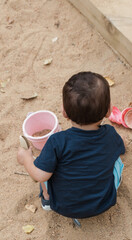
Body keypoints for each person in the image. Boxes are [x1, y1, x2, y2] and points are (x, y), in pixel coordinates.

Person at [17, 71, 125, 219]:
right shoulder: (110, 134)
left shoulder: (57, 141)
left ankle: (47, 199)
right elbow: (121, 148)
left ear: (64, 112)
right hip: (103, 202)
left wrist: (26, 159)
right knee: (117, 161)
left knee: (42, 164)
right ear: (108, 111)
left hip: (64, 206)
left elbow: (39, 175)